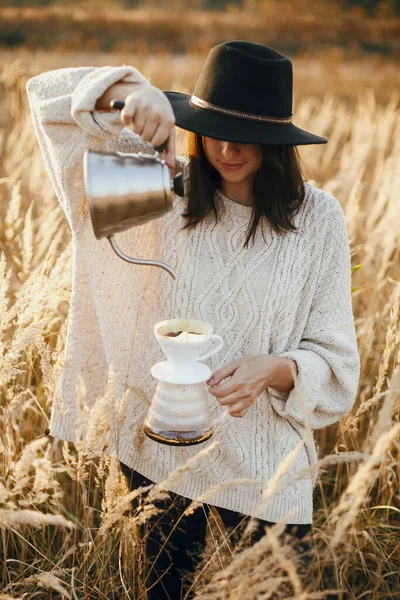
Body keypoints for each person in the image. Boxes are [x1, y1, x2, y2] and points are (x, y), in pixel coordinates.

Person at [27, 40, 360, 599]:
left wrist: (274, 369)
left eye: (247, 136)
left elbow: (337, 363)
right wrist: (131, 90)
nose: (227, 149)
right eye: (214, 129)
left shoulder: (317, 220)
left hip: (265, 474)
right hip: (161, 459)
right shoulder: (162, 191)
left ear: (278, 142)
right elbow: (50, 104)